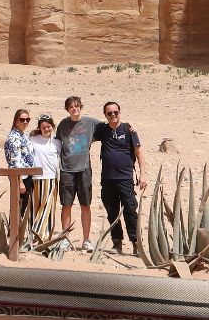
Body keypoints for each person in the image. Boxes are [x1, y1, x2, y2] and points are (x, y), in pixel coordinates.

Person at [94, 101, 148, 254]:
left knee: (130, 211)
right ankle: (117, 243)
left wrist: (142, 174)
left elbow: (139, 153)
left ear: (120, 112)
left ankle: (136, 244)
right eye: (109, 113)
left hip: (125, 179)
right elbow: (84, 129)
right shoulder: (102, 130)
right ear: (105, 115)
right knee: (112, 212)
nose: (113, 115)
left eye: (115, 112)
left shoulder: (128, 129)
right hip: (108, 179)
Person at [55, 96, 100, 249]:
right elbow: (56, 143)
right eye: (71, 107)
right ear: (67, 109)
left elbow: (111, 126)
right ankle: (65, 239)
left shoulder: (91, 123)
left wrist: (129, 126)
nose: (75, 109)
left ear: (81, 107)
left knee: (85, 205)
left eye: (77, 106)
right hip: (67, 170)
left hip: (84, 169)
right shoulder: (62, 125)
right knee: (66, 205)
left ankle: (86, 240)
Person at [25, 114, 61, 238]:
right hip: (35, 178)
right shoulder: (33, 140)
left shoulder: (57, 142)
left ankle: (44, 236)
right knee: (35, 207)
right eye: (44, 127)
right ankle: (32, 236)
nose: (46, 129)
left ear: (53, 127)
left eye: (49, 126)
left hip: (51, 178)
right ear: (40, 128)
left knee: (48, 207)